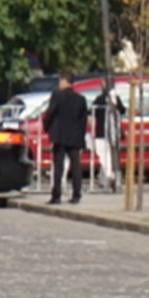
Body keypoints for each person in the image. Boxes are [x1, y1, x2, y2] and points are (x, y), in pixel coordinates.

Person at [42, 74, 91, 204]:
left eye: (60, 81)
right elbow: (83, 120)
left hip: (60, 136)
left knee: (58, 166)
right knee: (76, 166)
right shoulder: (80, 99)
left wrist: (47, 128)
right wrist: (81, 135)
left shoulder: (57, 96)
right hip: (75, 136)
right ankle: (76, 194)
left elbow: (50, 113)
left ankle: (56, 195)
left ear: (64, 81)